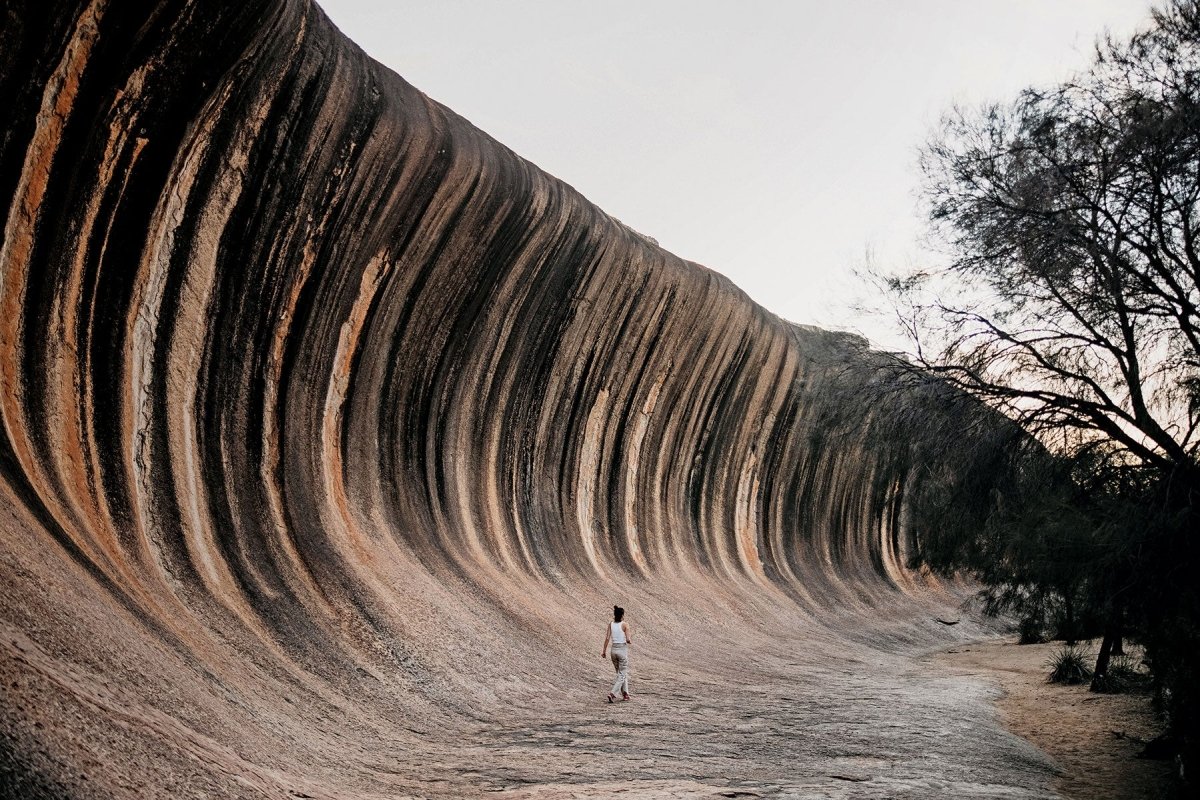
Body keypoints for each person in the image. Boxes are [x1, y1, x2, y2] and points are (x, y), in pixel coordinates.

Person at [600, 605, 632, 702]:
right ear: (622, 615)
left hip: (613, 650)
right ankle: (613, 693)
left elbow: (607, 638)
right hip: (622, 650)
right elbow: (628, 639)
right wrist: (628, 640)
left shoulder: (611, 624)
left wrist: (604, 651)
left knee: (621, 673)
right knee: (622, 674)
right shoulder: (625, 625)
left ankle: (625, 694)